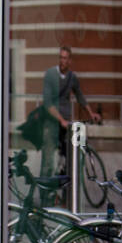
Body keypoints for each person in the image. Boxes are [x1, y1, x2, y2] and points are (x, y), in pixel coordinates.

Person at [40, 46, 102, 180]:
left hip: (66, 123)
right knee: (47, 160)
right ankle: (45, 196)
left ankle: (65, 194)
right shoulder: (50, 74)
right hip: (51, 122)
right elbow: (47, 102)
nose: (62, 61)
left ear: (69, 61)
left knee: (68, 159)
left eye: (65, 58)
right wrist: (60, 120)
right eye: (60, 58)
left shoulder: (72, 77)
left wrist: (91, 114)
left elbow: (80, 97)